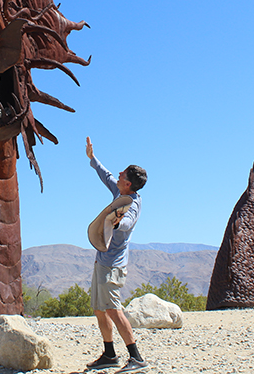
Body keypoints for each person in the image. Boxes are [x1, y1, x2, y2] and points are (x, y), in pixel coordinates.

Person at [84, 136, 149, 373]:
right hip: (102, 260)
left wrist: (114, 221)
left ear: (129, 184)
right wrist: (92, 158)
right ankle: (109, 354)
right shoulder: (119, 192)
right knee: (100, 309)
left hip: (113, 265)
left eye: (123, 175)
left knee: (112, 308)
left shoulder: (132, 203)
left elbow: (127, 223)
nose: (119, 175)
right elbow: (106, 175)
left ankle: (136, 357)